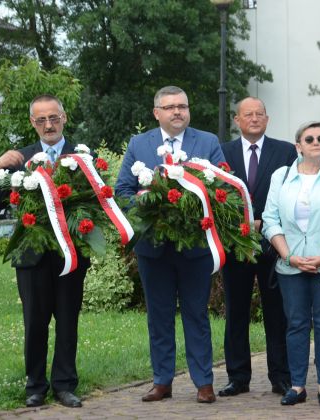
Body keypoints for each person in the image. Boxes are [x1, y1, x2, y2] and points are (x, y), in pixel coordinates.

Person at [115, 86, 225, 404]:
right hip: (153, 249)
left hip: (195, 249)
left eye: (182, 106)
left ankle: (204, 383)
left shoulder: (207, 142)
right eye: (170, 107)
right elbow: (122, 189)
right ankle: (162, 381)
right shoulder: (139, 144)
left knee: (196, 315)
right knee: (159, 316)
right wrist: (145, 201)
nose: (177, 111)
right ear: (157, 113)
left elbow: (222, 187)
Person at [0, 94, 88, 408]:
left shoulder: (82, 156)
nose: (48, 124)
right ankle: (35, 386)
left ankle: (64, 385)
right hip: (31, 256)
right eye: (41, 119)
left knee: (68, 320)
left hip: (70, 254)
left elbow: (97, 201)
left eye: (53, 118)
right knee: (34, 321)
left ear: (64, 118)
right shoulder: (20, 157)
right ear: (33, 123)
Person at [262, 121, 320, 408]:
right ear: (298, 146)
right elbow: (270, 219)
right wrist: (288, 255)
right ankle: (298, 385)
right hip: (291, 265)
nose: (317, 142)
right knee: (296, 324)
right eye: (310, 138)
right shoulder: (282, 176)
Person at [218, 97, 296, 397]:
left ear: (267, 118)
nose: (254, 119)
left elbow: (292, 193)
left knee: (277, 313)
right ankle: (237, 377)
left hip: (273, 244)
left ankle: (281, 376)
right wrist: (238, 224)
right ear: (237, 120)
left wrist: (268, 222)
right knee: (236, 312)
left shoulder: (285, 151)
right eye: (247, 114)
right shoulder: (222, 152)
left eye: (259, 114)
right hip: (236, 245)